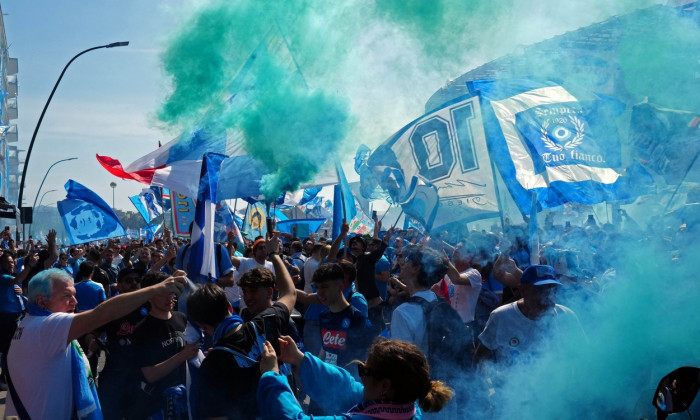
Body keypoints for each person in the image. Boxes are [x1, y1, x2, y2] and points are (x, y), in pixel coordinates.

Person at [4, 268, 186, 420]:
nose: (75, 302)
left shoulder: (30, 323)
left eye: (74, 295)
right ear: (42, 301)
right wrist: (157, 289)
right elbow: (103, 314)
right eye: (67, 296)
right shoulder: (46, 326)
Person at [187, 233, 297, 419]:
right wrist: (274, 254)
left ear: (202, 326)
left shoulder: (212, 365)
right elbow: (290, 292)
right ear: (230, 306)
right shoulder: (265, 322)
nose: (247, 296)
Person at [257, 336, 454, 419]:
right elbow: (347, 388)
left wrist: (272, 376)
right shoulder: (408, 408)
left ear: (385, 385)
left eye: (364, 371)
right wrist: (300, 359)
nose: (360, 377)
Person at [474, 263, 584, 364]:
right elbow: (481, 355)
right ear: (522, 290)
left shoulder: (567, 316)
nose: (549, 296)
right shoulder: (501, 316)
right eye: (541, 290)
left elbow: (583, 356)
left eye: (553, 289)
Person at [131, 271, 199, 418]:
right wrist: (182, 356)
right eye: (163, 293)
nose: (170, 298)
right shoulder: (142, 330)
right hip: (157, 405)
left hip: (184, 400)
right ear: (149, 296)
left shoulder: (181, 318)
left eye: (171, 292)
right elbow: (150, 374)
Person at [97, 268, 147, 420]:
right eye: (129, 280)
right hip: (114, 373)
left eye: (137, 280)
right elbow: (93, 331)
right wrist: (92, 340)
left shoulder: (150, 306)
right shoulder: (110, 307)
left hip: (142, 374)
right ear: (119, 285)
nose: (134, 283)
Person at [313, 263, 375, 374]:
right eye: (317, 287)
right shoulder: (324, 316)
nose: (320, 293)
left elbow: (370, 356)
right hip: (329, 382)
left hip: (351, 384)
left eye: (325, 287)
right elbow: (325, 349)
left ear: (340, 286)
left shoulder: (358, 319)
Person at [390, 245, 449, 355]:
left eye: (407, 260)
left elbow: (402, 360)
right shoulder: (437, 300)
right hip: (437, 370)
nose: (403, 263)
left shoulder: (403, 312)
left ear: (415, 268)